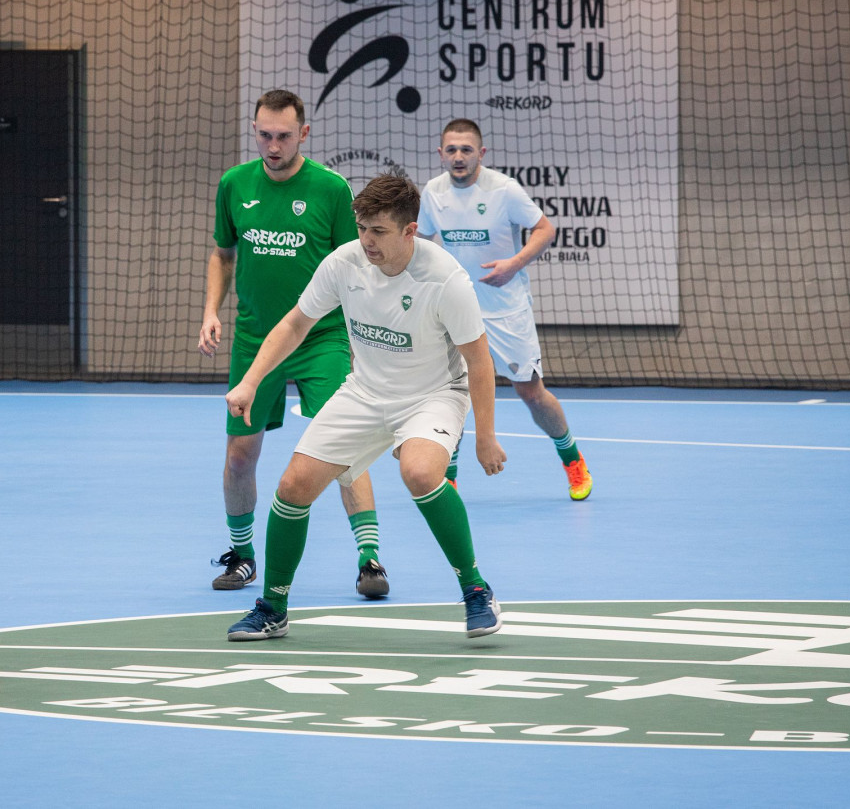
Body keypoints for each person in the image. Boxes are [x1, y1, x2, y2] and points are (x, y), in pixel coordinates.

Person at [224, 173, 507, 642]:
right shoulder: (344, 263)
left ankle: (476, 589)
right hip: (365, 391)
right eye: (361, 228)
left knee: (420, 473)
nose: (366, 240)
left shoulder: (445, 279)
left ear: (409, 231)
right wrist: (251, 382)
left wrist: (486, 436)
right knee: (293, 486)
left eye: (378, 231)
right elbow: (295, 324)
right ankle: (273, 607)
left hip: (433, 395)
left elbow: (479, 361)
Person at [199, 90, 388, 598]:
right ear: (254, 131)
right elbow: (223, 254)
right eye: (264, 135)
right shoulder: (234, 184)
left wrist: (364, 339)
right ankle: (242, 554)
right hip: (255, 339)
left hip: (321, 338)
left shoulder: (330, 189)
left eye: (283, 136)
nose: (273, 145)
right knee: (240, 454)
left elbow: (357, 267)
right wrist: (211, 311)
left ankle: (370, 559)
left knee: (345, 447)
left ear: (303, 133)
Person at [418, 119, 592, 501]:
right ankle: (449, 479)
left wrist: (514, 264)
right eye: (452, 150)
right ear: (441, 153)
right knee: (450, 394)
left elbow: (545, 230)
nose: (459, 156)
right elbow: (421, 241)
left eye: (466, 150)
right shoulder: (433, 192)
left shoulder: (505, 189)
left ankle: (573, 459)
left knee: (531, 393)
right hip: (456, 310)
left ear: (481, 153)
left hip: (505, 310)